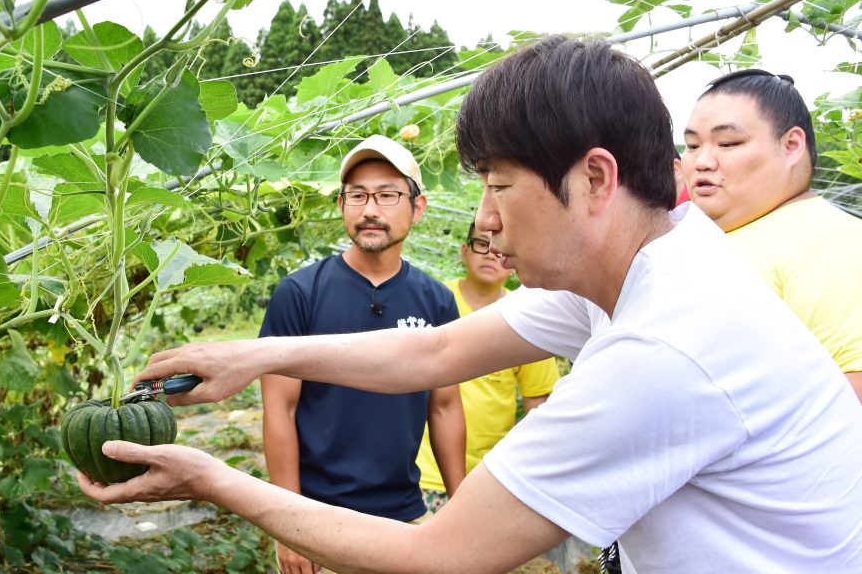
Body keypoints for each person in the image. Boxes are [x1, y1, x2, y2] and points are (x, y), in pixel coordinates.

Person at [79, 36, 862, 574]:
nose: (483, 220)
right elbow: (438, 352)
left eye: (498, 185)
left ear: (595, 179)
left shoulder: (669, 345)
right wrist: (252, 356)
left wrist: (211, 479)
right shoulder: (647, 264)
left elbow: (439, 555)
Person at [258, 134, 465, 574]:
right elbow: (279, 407)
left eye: (388, 195)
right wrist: (290, 526)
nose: (371, 210)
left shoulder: (436, 300)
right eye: (357, 195)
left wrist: (461, 506)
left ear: (418, 205)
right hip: (319, 522)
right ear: (341, 204)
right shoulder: (299, 294)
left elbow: (444, 407)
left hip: (407, 517)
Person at [682, 69, 862, 402]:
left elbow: (854, 388)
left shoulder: (829, 240)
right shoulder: (696, 240)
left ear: (791, 145)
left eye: (728, 143)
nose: (702, 161)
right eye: (692, 145)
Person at [414, 222, 557, 513]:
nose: (490, 254)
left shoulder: (528, 319)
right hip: (421, 473)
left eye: (500, 248)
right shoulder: (435, 303)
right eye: (482, 245)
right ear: (464, 252)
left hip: (487, 478)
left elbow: (538, 403)